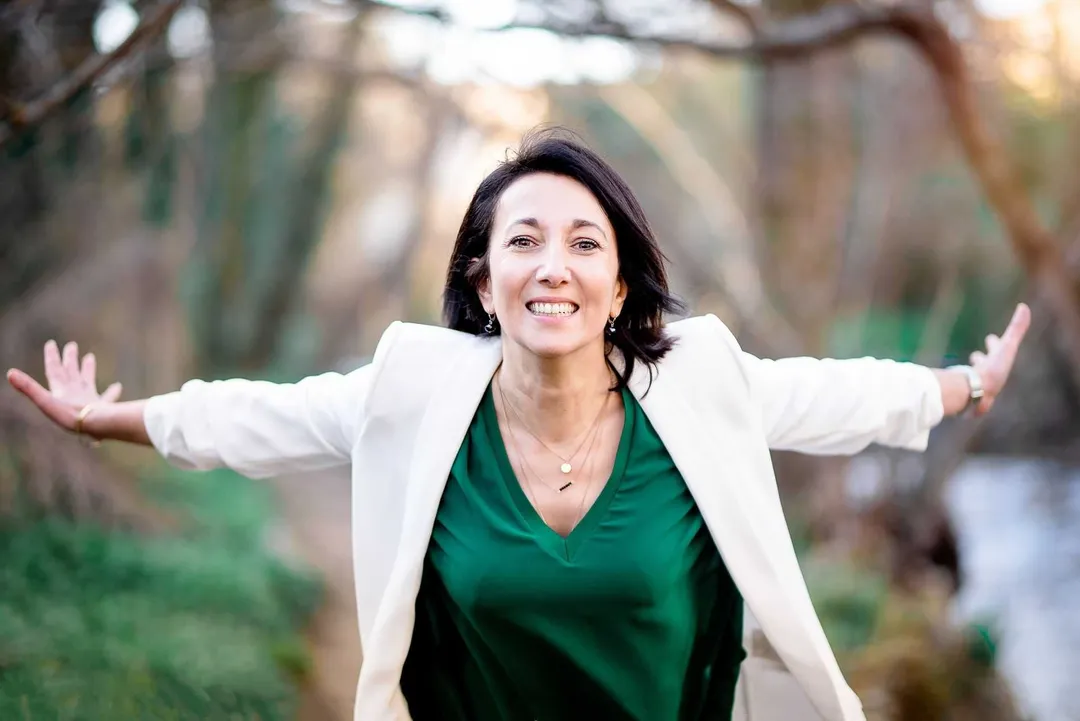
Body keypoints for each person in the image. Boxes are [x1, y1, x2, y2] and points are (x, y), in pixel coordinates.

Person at [6, 129, 1030, 721]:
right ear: (482, 279)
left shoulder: (699, 381)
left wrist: (961, 386)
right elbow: (262, 414)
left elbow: (833, 397)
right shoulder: (417, 389)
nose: (554, 263)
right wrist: (110, 421)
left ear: (620, 283)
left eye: (585, 242)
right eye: (524, 239)